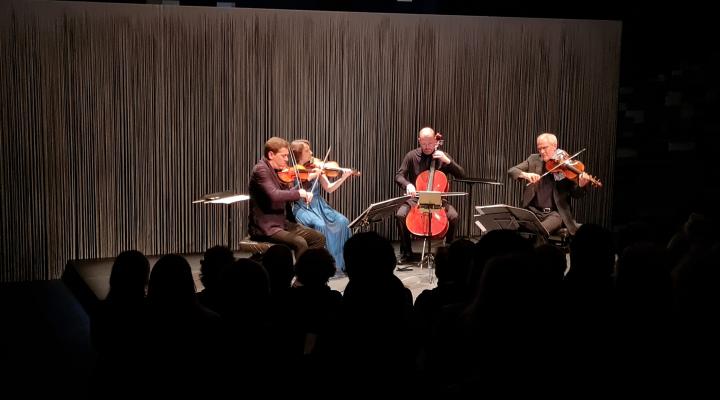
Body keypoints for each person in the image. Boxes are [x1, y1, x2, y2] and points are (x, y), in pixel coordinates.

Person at [394, 126, 465, 264]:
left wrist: (448, 162)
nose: (427, 147)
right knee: (400, 215)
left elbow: (461, 174)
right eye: (424, 143)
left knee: (454, 217)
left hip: (437, 199)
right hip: (417, 199)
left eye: (430, 143)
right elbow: (399, 176)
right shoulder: (411, 156)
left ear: (436, 141)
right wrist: (408, 184)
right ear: (419, 141)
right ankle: (406, 252)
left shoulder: (442, 157)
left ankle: (448, 251)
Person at [248, 137, 325, 259]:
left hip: (282, 223)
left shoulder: (278, 171)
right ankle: (301, 276)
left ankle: (309, 274)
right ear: (271, 154)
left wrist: (302, 188)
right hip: (267, 227)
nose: (287, 159)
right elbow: (274, 195)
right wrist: (299, 193)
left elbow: (286, 194)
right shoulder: (261, 170)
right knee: (300, 242)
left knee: (318, 238)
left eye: (287, 156)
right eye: (283, 156)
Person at [507, 132, 591, 236]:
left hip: (554, 214)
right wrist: (526, 175)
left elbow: (576, 194)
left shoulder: (566, 166)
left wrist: (581, 185)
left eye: (545, 148)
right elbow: (512, 171)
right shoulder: (534, 159)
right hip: (532, 211)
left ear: (554, 146)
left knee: (540, 231)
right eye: (539, 149)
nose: (541, 152)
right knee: (510, 227)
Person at [290, 139, 354, 273]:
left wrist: (343, 177)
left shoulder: (316, 167)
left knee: (343, 221)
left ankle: (342, 264)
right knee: (320, 225)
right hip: (302, 207)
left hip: (319, 205)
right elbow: (292, 191)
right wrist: (313, 175)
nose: (311, 152)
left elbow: (329, 188)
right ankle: (322, 267)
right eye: (307, 150)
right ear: (299, 154)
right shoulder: (292, 171)